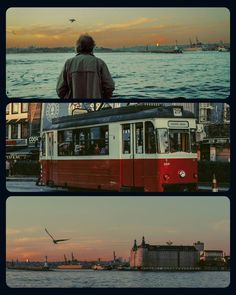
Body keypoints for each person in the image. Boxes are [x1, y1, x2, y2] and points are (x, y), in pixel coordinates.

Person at [56, 34, 115, 98]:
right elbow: (109, 87)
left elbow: (60, 90)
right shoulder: (99, 63)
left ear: (77, 47)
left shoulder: (69, 63)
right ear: (92, 47)